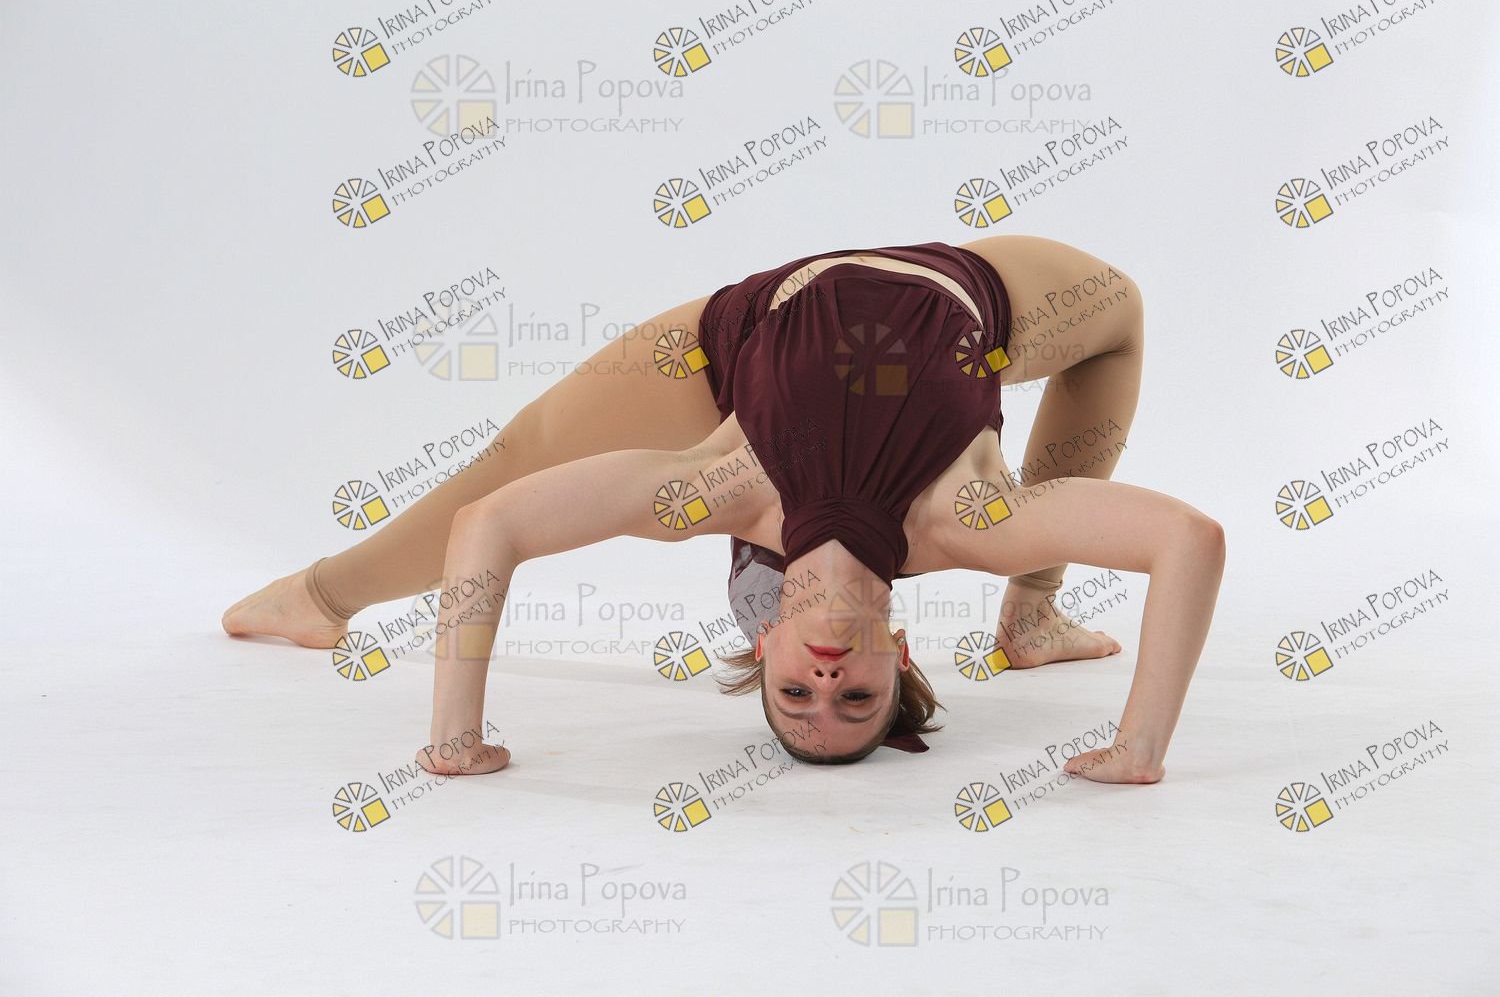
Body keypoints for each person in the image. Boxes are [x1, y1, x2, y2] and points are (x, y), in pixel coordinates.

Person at [223, 234, 1224, 783]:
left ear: (767, 643)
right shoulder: (970, 524)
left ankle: (319, 597)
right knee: (1120, 314)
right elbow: (1189, 538)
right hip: (961, 283)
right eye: (856, 700)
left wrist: (455, 735)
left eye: (794, 696)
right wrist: (1141, 746)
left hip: (744, 328)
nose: (824, 684)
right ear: (898, 654)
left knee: (515, 456)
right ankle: (1033, 614)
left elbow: (492, 525)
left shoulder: (721, 493)